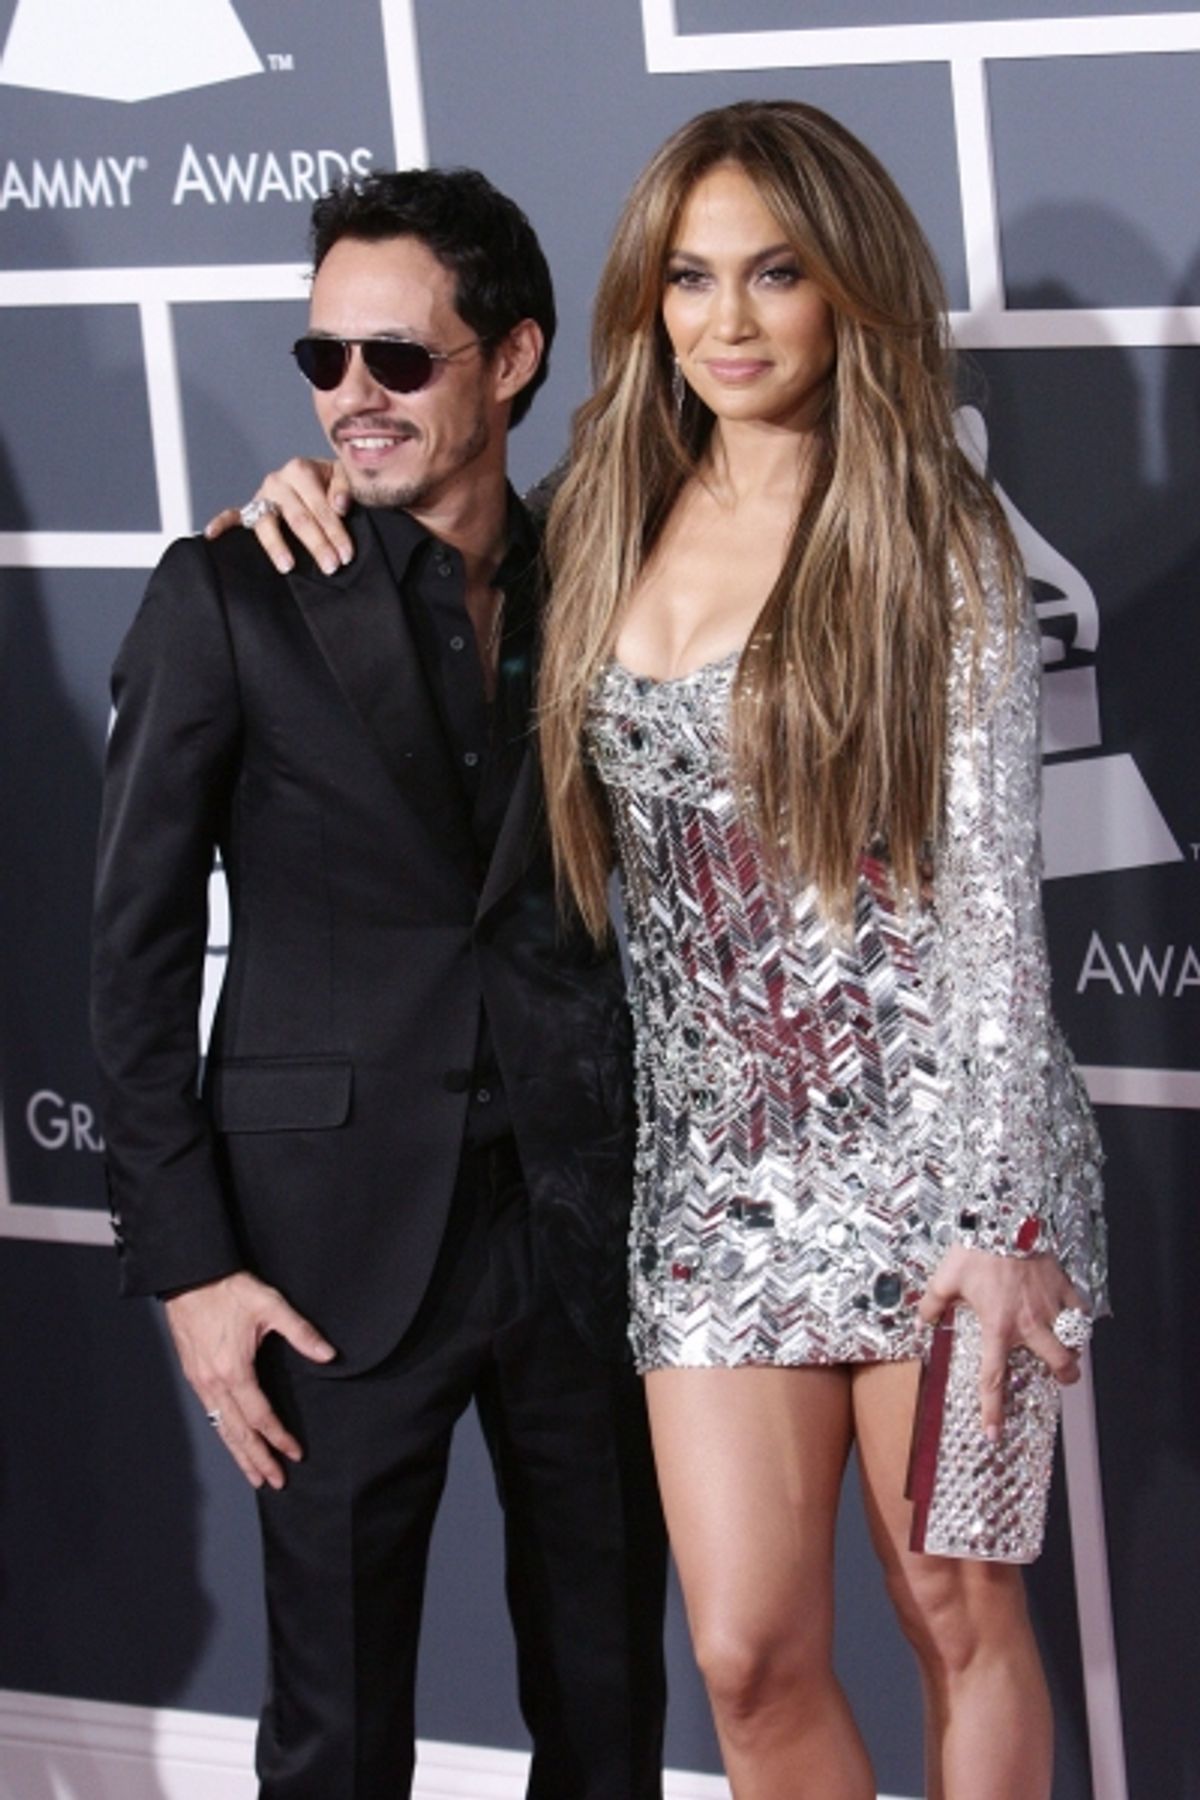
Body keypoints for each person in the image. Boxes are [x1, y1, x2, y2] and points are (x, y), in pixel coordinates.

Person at [222, 106, 1108, 1798]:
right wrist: (314, 481)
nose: (732, 319)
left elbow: (999, 911)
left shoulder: (942, 543)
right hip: (707, 1191)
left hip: (953, 1173)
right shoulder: (600, 520)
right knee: (745, 1654)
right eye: (693, 277)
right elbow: (429, 522)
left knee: (957, 1616)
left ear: (852, 291)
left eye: (778, 272)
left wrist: (1004, 1223)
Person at [91, 167, 666, 1800]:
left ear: (514, 359)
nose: (354, 398)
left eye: (398, 362)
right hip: (327, 1255)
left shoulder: (603, 587)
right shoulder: (226, 592)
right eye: (324, 362)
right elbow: (128, 961)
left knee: (609, 1714)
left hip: (580, 1231)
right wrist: (192, 1268)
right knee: (337, 1738)